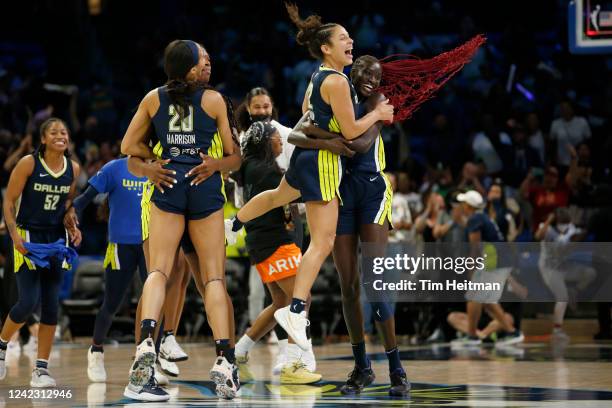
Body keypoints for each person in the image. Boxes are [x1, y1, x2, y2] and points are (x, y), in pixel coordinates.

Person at [226, 4, 394, 352]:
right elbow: (350, 131)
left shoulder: (318, 76)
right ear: (326, 48)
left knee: (277, 195)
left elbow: (306, 110)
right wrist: (377, 114)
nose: (352, 42)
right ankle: (297, 311)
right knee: (323, 242)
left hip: (304, 159)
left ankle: (236, 222)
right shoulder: (337, 81)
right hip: (322, 166)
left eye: (350, 37)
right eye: (344, 38)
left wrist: (325, 129)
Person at [120, 40, 241, 401]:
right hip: (203, 186)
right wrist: (214, 165)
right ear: (190, 70)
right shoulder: (214, 100)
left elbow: (128, 145)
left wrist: (152, 162)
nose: (208, 61)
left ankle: (145, 344)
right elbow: (234, 158)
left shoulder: (152, 99)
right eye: (202, 58)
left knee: (158, 271)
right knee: (214, 277)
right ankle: (224, 360)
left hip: (168, 181)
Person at [234, 121, 320, 384]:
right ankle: (293, 364)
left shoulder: (249, 168)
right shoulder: (266, 171)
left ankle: (239, 350)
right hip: (275, 242)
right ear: (263, 141)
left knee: (281, 303)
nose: (280, 140)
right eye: (275, 136)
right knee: (300, 299)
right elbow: (295, 191)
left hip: (260, 243)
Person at [0, 118, 81, 387]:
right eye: (54, 132)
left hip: (56, 239)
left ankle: (41, 370)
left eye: (65, 132)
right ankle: (1, 345)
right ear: (44, 139)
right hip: (28, 236)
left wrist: (73, 222)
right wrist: (14, 236)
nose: (61, 136)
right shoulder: (28, 163)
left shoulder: (74, 168)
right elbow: (9, 201)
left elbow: (67, 205)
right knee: (26, 302)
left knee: (51, 306)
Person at [64, 157, 149, 383]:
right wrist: (70, 211)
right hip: (120, 246)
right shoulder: (114, 168)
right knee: (112, 303)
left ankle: (148, 360)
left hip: (151, 245)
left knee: (152, 303)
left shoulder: (158, 166)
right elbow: (85, 198)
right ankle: (96, 350)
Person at [451, 190, 524, 347]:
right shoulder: (482, 217)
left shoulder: (475, 219)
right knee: (484, 298)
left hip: (494, 261)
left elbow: (475, 248)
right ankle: (510, 332)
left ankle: (474, 336)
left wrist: (471, 269)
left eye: (463, 203)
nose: (461, 206)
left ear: (468, 206)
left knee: (474, 296)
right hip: (501, 260)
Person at [535, 207, 595, 341]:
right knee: (562, 297)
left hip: (565, 268)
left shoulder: (571, 229)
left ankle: (575, 290)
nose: (565, 225)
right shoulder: (547, 229)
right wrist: (549, 220)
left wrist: (579, 237)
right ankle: (557, 330)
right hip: (549, 269)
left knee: (590, 273)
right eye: (562, 221)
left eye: (566, 221)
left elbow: (576, 238)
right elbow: (538, 236)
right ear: (555, 220)